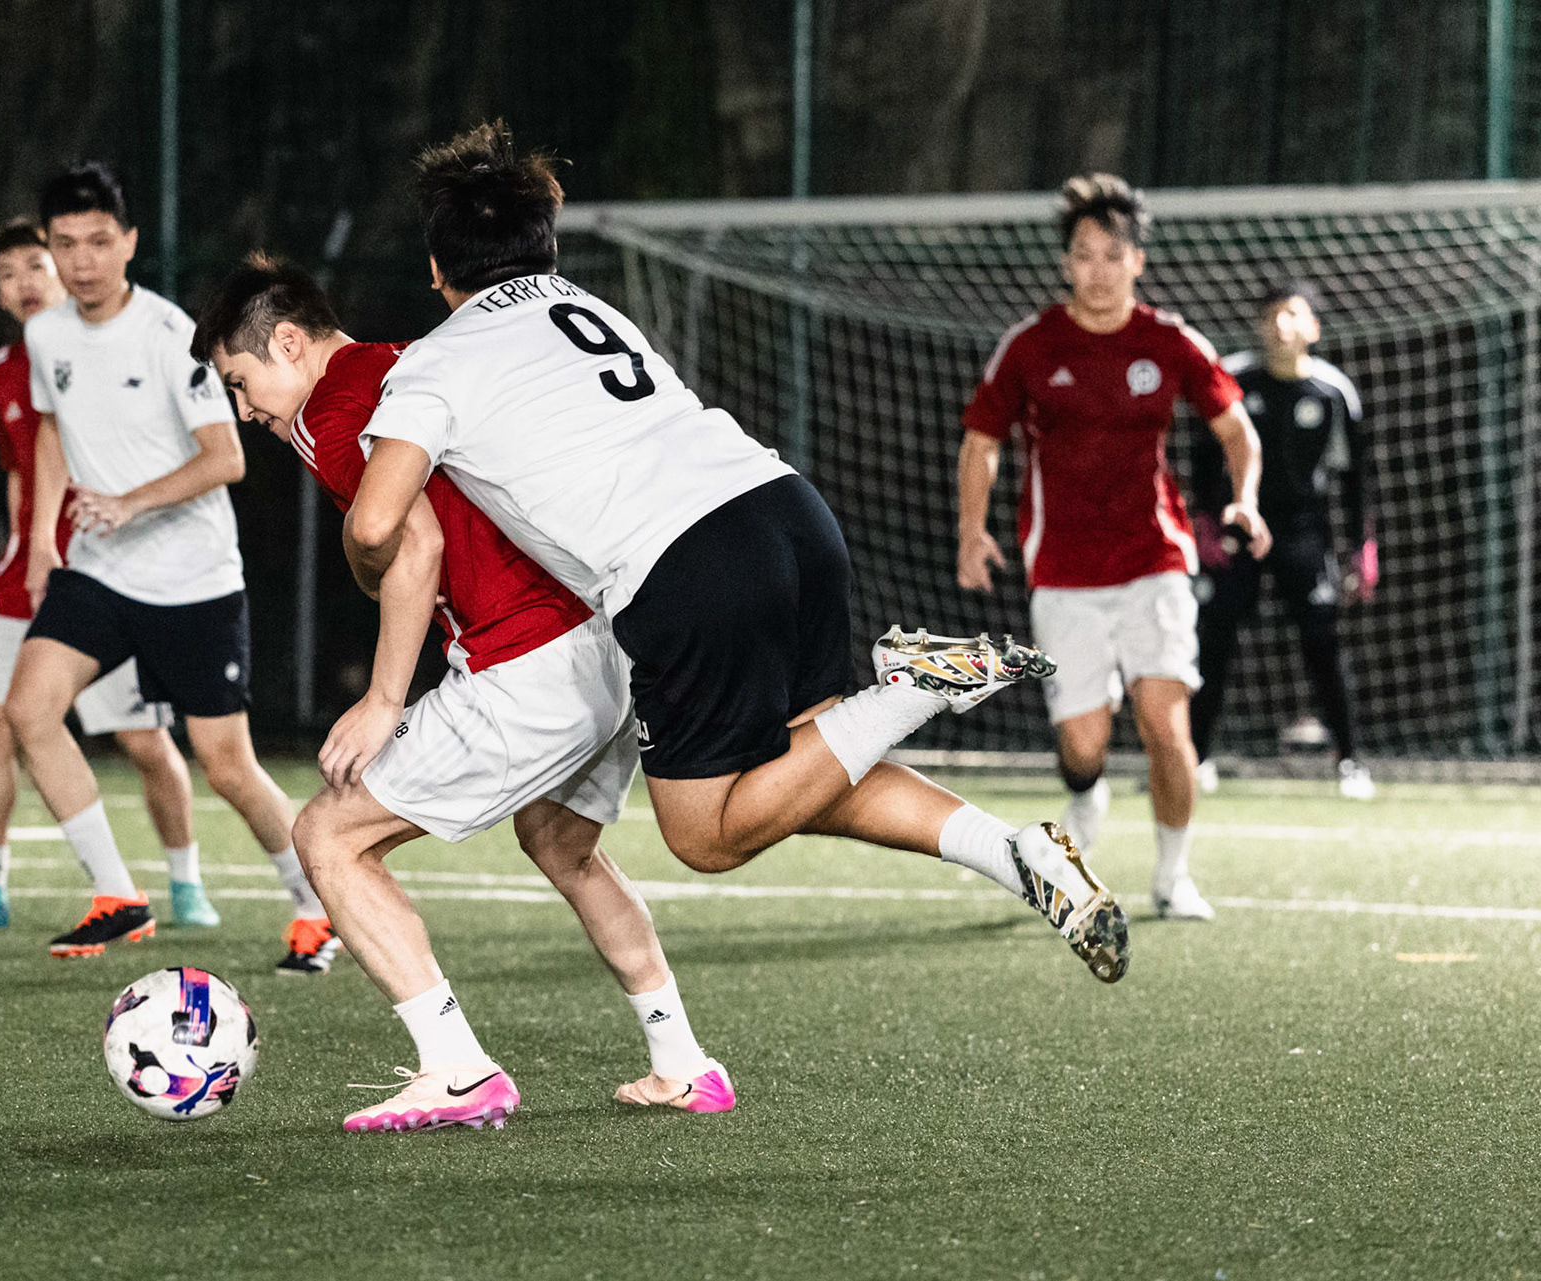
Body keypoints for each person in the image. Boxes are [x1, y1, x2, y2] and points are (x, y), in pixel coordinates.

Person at [343, 122, 1130, 987]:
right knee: (803, 769)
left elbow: (378, 525)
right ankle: (1014, 853)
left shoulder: (436, 361)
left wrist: (364, 573)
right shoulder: (590, 309)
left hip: (686, 569)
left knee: (706, 834)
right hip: (787, 512)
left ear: (436, 269)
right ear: (548, 247)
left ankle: (909, 689)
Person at [194, 253, 732, 1132]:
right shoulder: (408, 360)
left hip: (530, 664)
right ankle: (683, 1061)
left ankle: (456, 1069)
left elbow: (415, 544)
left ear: (288, 343)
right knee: (561, 843)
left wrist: (383, 699)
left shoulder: (330, 410)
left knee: (327, 835)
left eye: (241, 383)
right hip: (606, 641)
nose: (245, 410)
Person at [2, 163, 320, 962]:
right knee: (29, 710)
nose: (82, 260)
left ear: (130, 242)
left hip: (192, 579)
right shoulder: (45, 335)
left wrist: (129, 502)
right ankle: (117, 894)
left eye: (98, 241)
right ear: (49, 247)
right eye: (65, 244)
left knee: (228, 768)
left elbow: (226, 458)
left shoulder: (170, 334)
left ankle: (317, 903)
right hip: (100, 570)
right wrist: (42, 539)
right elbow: (51, 428)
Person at [958, 173, 1272, 922]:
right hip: (1063, 570)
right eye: (1082, 255)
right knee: (1084, 744)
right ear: (1065, 263)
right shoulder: (1031, 345)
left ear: (1137, 261)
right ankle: (1085, 792)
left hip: (1153, 560)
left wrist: (1245, 498)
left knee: (1165, 723)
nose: (1096, 270)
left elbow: (1237, 431)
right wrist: (972, 531)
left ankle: (1173, 877)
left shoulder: (1170, 341)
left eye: (1111, 255)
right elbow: (981, 441)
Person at [0, 221, 216, 930]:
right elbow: (21, 472)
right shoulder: (0, 369)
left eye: (35, 265)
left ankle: (186, 882)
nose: (23, 282)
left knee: (143, 741)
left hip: (105, 574)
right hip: (24, 575)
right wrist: (23, 548)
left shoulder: (111, 351)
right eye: (6, 274)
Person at [1189, 281, 1376, 801]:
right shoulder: (1233, 378)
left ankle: (1350, 761)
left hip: (1301, 531)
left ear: (1313, 327)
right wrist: (1204, 524)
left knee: (1322, 642)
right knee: (1214, 641)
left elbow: (1356, 477)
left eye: (1292, 314)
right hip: (1238, 530)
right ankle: (1195, 758)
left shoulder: (1333, 391)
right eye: (1271, 314)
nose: (1280, 324)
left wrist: (1362, 546)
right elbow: (1203, 454)